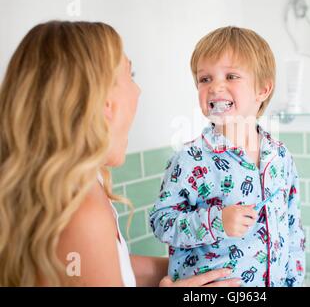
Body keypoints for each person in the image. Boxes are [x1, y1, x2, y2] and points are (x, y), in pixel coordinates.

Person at [0, 20, 240, 287]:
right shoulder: (82, 214)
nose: (138, 90)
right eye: (131, 75)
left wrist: (191, 269)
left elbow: (107, 265)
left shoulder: (80, 186)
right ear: (104, 103)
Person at [149, 26, 306, 287]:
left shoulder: (279, 156)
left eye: (231, 76)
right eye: (205, 79)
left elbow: (293, 228)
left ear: (263, 90)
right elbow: (161, 222)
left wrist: (295, 281)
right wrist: (215, 222)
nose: (215, 87)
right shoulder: (191, 159)